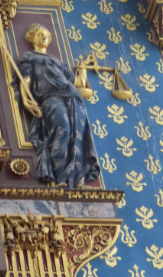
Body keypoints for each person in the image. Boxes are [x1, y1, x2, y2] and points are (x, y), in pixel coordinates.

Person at [14, 23, 101, 189]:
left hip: (74, 98)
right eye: (40, 34)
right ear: (32, 38)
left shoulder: (58, 62)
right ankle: (60, 180)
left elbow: (78, 82)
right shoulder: (29, 58)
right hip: (51, 98)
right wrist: (25, 100)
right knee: (63, 131)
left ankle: (78, 181)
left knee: (77, 137)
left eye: (46, 34)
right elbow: (25, 80)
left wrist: (82, 66)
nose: (44, 37)